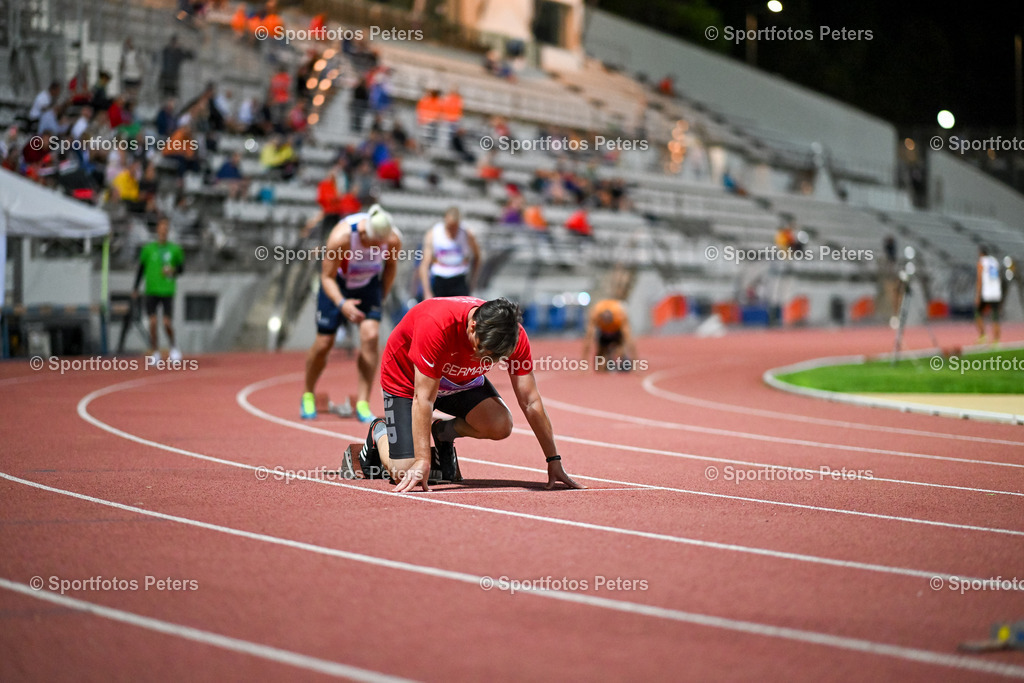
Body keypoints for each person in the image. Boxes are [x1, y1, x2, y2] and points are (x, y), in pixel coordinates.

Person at [355, 296, 585, 492]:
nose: (485, 360)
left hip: (460, 380)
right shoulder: (436, 325)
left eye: (495, 358)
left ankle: (443, 432)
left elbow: (530, 401)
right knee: (404, 471)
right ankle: (380, 431)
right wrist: (423, 461)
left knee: (501, 425)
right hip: (408, 381)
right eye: (483, 351)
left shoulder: (512, 336)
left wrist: (553, 459)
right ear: (472, 326)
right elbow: (423, 399)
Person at [303, 205, 402, 422]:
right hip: (338, 284)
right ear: (365, 234)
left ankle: (363, 402)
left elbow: (391, 267)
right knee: (324, 343)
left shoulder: (392, 239)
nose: (379, 247)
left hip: (368, 286)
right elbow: (326, 277)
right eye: (374, 244)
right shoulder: (342, 237)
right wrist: (342, 304)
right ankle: (308, 394)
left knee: (371, 337)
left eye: (381, 244)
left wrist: (380, 296)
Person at [132, 217, 185, 362]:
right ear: (157, 229)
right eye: (161, 227)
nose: (163, 230)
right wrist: (135, 288)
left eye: (166, 228)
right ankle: (155, 351)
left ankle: (173, 346)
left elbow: (181, 269)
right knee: (153, 322)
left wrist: (172, 270)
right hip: (151, 290)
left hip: (167, 290)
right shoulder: (148, 249)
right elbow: (141, 269)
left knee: (167, 323)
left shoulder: (175, 249)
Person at [419, 206, 481, 299]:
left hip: (459, 278)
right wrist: (427, 292)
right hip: (439, 279)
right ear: (445, 220)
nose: (452, 230)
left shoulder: (467, 234)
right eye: (449, 227)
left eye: (454, 227)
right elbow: (424, 264)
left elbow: (477, 256)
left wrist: (473, 281)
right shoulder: (434, 233)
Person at [581, 299, 637, 371]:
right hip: (603, 332)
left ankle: (623, 359)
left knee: (620, 352)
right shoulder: (595, 313)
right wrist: (584, 363)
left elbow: (628, 339)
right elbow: (588, 339)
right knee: (599, 366)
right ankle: (608, 362)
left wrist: (636, 361)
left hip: (617, 331)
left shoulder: (620, 315)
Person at [975, 246, 1002, 345]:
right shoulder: (994, 261)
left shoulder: (981, 262)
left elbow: (979, 279)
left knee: (977, 313)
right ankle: (996, 340)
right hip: (996, 292)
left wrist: (978, 295)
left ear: (981, 253)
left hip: (986, 292)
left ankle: (983, 336)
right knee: (995, 316)